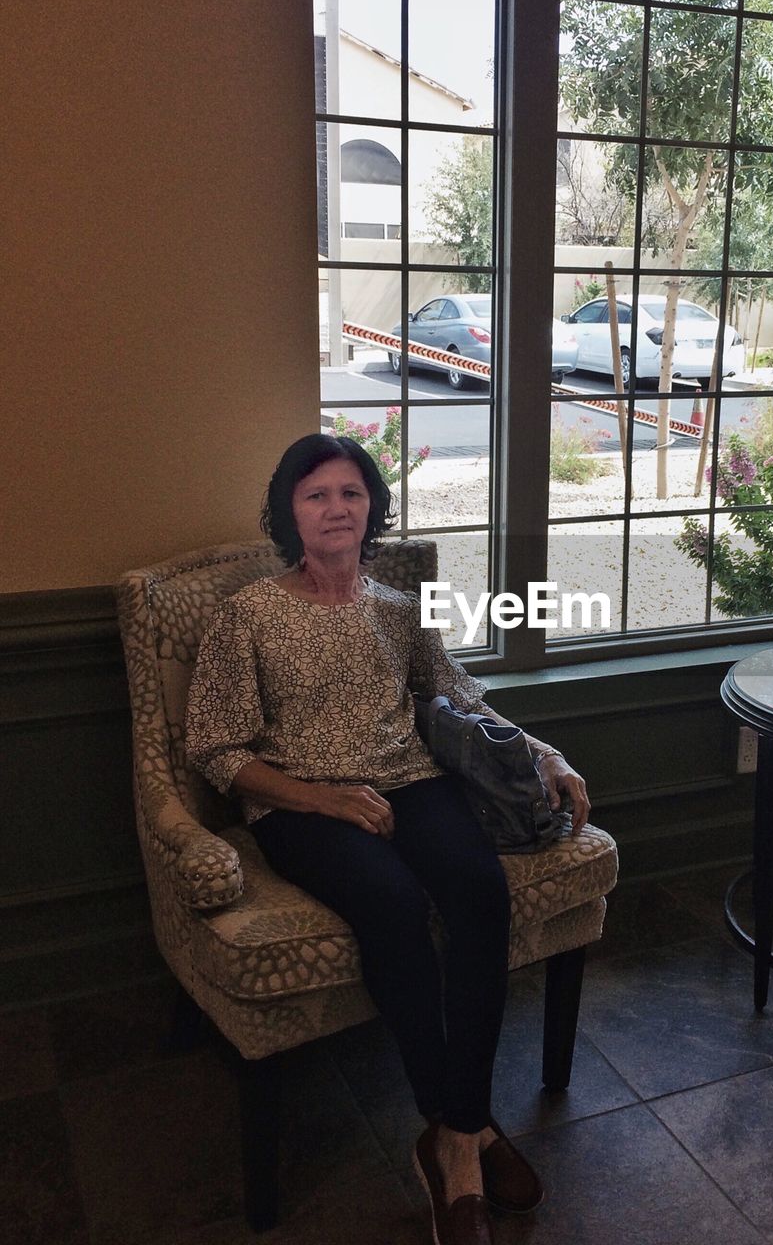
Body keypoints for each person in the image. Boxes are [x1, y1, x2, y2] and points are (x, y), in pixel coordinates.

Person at [185, 432, 590, 1245]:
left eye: (351, 493)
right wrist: (323, 800)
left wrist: (545, 752)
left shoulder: (399, 609)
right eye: (315, 495)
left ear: (371, 508)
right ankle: (461, 1135)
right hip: (300, 806)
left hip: (411, 780)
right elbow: (216, 751)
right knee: (395, 907)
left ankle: (456, 1134)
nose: (335, 509)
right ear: (288, 513)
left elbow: (456, 693)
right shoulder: (248, 616)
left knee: (478, 890)